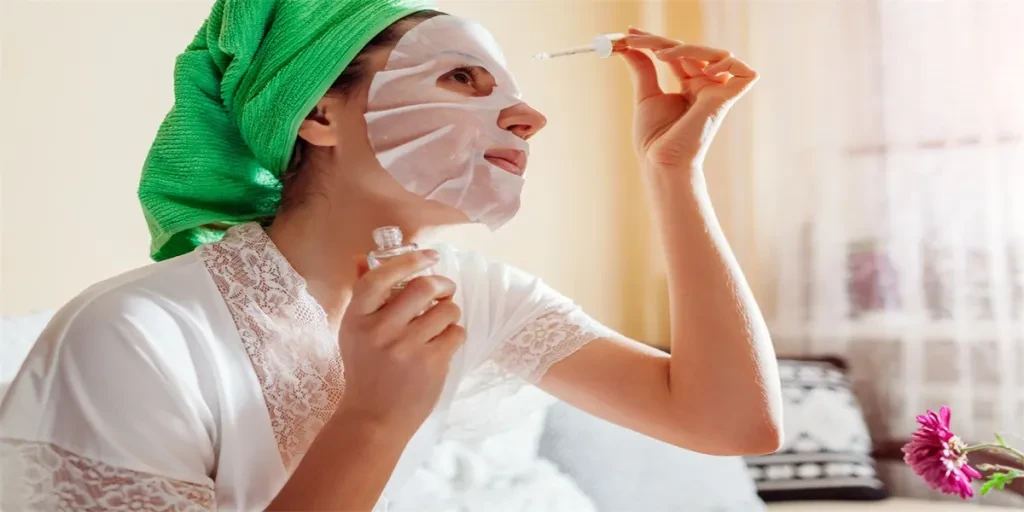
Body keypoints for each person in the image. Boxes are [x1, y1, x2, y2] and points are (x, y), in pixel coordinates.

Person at [0, 1, 783, 510]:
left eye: (509, 87)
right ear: (318, 117)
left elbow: (730, 422)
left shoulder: (475, 297)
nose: (527, 114)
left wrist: (674, 173)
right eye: (461, 77)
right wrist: (374, 416)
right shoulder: (136, 333)